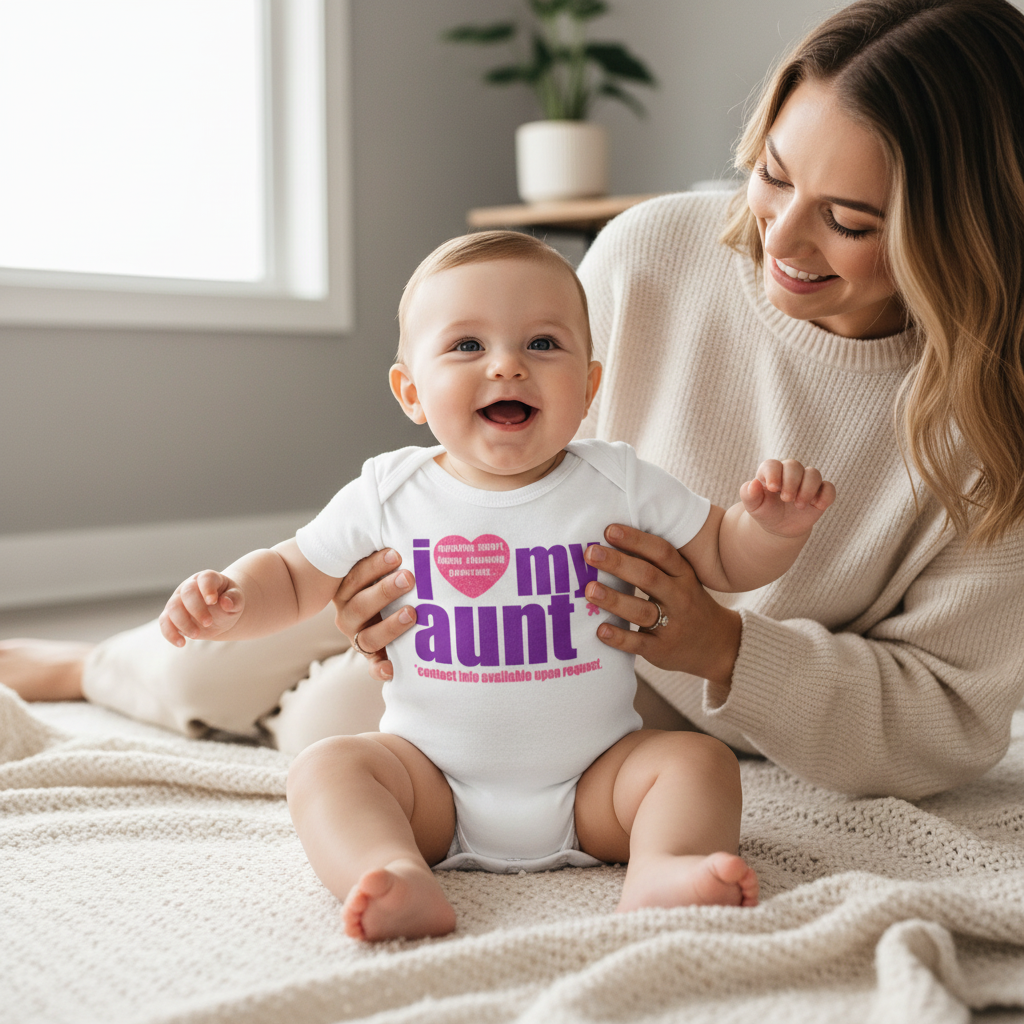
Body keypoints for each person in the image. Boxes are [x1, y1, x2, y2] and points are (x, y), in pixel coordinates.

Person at [3, 0, 1023, 807]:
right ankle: (88, 665)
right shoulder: (656, 250)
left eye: (847, 221)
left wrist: (719, 644)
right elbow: (493, 438)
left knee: (335, 738)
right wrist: (387, 580)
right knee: (205, 664)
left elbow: (946, 721)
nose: (780, 241)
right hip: (475, 611)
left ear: (966, 231)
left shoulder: (991, 430)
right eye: (770, 175)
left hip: (649, 698)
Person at [156, 230, 834, 940]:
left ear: (590, 386)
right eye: (467, 347)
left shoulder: (618, 479)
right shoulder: (388, 490)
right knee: (326, 769)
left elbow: (725, 557)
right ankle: (389, 870)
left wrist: (773, 529)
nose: (508, 366)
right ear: (411, 392)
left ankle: (663, 865)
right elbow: (296, 575)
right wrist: (232, 597)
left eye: (543, 344)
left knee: (699, 762)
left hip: (595, 784)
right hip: (432, 787)